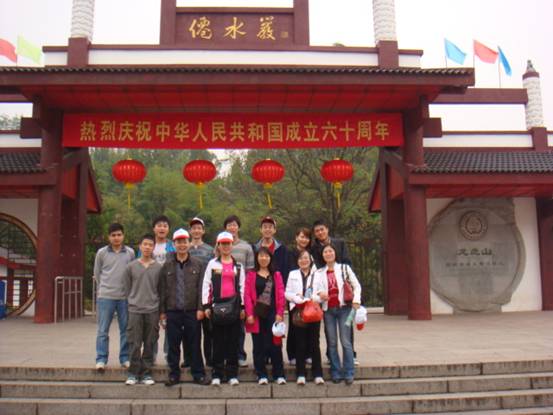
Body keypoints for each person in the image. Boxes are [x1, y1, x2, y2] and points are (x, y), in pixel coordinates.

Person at [160, 228, 207, 386]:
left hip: (192, 311)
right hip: (173, 311)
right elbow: (163, 290)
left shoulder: (198, 264)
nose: (182, 245)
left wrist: (200, 308)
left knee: (194, 344)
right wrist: (162, 312)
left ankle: (198, 374)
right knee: (173, 345)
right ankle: (174, 374)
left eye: (184, 242)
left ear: (189, 243)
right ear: (174, 244)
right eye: (178, 242)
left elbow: (201, 289)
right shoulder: (167, 265)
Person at [311, 219, 358, 365]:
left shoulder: (340, 243)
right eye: (317, 231)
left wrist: (344, 277)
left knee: (347, 328)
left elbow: (347, 261)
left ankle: (351, 355)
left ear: (327, 229)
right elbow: (317, 268)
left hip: (342, 288)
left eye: (322, 229)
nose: (320, 232)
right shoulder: (314, 249)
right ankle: (331, 356)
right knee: (329, 330)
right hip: (326, 291)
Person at [313, 244, 361, 385]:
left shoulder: (345, 268)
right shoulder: (319, 273)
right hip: (328, 311)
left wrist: (356, 300)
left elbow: (357, 286)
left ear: (335, 253)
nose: (328, 253)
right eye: (325, 252)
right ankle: (335, 372)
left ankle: (349, 372)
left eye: (330, 251)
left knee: (346, 341)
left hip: (345, 309)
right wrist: (320, 295)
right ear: (322, 255)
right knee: (332, 342)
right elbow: (313, 293)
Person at [202, 231, 246, 386]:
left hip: (234, 308)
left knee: (233, 342)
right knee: (218, 342)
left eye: (228, 243)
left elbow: (242, 287)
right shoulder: (212, 264)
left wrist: (243, 307)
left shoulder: (238, 266)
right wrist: (206, 305)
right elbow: (206, 285)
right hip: (217, 308)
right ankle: (217, 373)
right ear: (218, 246)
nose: (226, 246)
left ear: (232, 245)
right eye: (223, 244)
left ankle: (232, 374)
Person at [93, 223, 135, 372]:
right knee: (103, 330)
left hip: (124, 297)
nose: (116, 238)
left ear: (123, 236)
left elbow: (132, 273)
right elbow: (97, 273)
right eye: (113, 235)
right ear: (109, 237)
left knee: (126, 329)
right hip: (106, 297)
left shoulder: (130, 253)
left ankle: (125, 358)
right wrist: (105, 288)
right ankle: (101, 359)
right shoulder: (101, 253)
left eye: (119, 235)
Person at [123, 234, 162, 385]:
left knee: (150, 343)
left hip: (152, 310)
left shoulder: (158, 268)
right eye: (144, 244)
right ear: (140, 246)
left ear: (153, 247)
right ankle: (133, 373)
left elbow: (160, 289)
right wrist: (132, 302)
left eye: (150, 245)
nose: (147, 247)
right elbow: (127, 288)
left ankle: (146, 373)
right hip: (135, 310)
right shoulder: (131, 267)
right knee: (134, 343)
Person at [244, 247, 286, 385]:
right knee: (258, 345)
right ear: (257, 258)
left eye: (266, 256)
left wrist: (280, 313)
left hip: (273, 314)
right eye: (261, 256)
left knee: (275, 344)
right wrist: (249, 314)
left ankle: (278, 374)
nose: (264, 258)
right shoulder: (251, 275)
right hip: (257, 315)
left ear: (270, 258)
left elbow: (281, 295)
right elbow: (247, 296)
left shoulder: (276, 275)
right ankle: (261, 374)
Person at [285, 249, 324, 385]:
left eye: (306, 258)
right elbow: (287, 293)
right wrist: (297, 298)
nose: (304, 260)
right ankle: (300, 373)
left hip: (313, 311)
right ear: (297, 261)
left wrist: (310, 298)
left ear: (310, 260)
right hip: (299, 311)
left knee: (314, 343)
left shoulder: (318, 275)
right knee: (300, 343)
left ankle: (317, 373)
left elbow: (322, 294)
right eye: (301, 258)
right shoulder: (292, 274)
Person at [224, 214, 254, 367]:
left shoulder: (246, 247)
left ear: (238, 228)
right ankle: (226, 356)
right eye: (229, 225)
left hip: (240, 291)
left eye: (234, 225)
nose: (232, 227)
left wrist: (247, 293)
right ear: (225, 228)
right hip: (223, 292)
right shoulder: (220, 245)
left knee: (240, 326)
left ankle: (240, 355)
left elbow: (250, 271)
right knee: (224, 326)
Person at [188, 217, 215, 367]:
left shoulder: (210, 250)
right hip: (190, 294)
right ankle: (190, 359)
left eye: (199, 228)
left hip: (206, 294)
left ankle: (209, 359)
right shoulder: (185, 248)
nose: (196, 230)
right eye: (194, 228)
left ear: (203, 231)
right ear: (190, 231)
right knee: (191, 331)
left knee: (208, 330)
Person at [286, 227, 313, 365]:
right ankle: (293, 354)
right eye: (301, 236)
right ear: (296, 237)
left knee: (309, 325)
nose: (304, 240)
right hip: (293, 294)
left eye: (306, 237)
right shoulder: (289, 253)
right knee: (294, 325)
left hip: (309, 297)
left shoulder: (311, 254)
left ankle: (308, 353)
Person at [253, 216, 290, 284]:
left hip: (277, 285)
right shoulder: (255, 248)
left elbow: (285, 270)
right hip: (258, 285)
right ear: (260, 230)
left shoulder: (282, 249)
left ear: (274, 230)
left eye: (270, 227)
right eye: (265, 227)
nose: (267, 229)